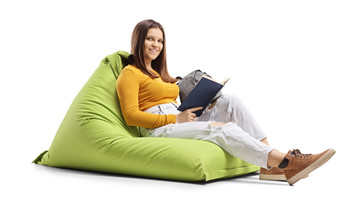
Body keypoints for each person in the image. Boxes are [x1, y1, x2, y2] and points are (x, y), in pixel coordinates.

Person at [116, 19, 335, 185]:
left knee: (231, 101)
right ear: (138, 40)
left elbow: (172, 93)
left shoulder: (159, 73)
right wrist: (175, 118)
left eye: (160, 40)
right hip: (160, 127)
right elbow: (131, 116)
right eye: (150, 39)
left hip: (178, 117)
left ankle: (269, 166)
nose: (156, 44)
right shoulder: (130, 73)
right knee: (223, 129)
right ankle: (288, 162)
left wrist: (201, 92)